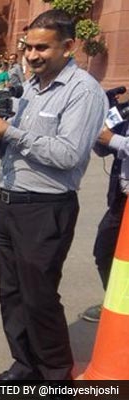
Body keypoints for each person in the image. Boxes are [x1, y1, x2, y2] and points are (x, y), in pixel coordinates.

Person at [0, 9, 107, 381]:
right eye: (28, 47)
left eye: (42, 48)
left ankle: (55, 375)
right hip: (8, 205)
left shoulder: (83, 91)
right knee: (13, 294)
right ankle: (25, 365)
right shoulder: (29, 88)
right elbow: (13, 145)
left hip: (46, 208)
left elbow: (69, 154)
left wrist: (11, 134)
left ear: (68, 46)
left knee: (39, 298)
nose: (32, 55)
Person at [82, 114, 129, 322]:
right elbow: (103, 148)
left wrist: (114, 140)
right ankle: (117, 303)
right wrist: (100, 130)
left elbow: (114, 142)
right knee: (104, 251)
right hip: (121, 200)